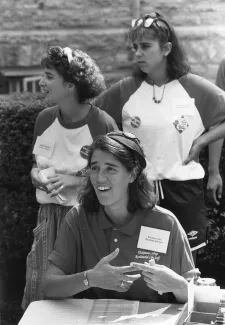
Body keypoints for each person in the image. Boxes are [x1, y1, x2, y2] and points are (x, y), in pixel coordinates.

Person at [92, 12, 225, 259]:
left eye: (145, 46)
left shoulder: (194, 87)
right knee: (146, 264)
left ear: (166, 49)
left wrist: (202, 141)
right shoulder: (126, 89)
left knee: (185, 265)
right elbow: (93, 116)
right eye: (135, 47)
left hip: (184, 191)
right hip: (140, 191)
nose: (138, 53)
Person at [44, 131, 195, 304]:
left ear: (132, 174)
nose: (100, 178)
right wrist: (89, 278)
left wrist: (179, 287)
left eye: (111, 169)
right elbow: (49, 286)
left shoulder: (165, 223)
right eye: (95, 168)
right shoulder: (78, 218)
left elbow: (193, 295)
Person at [22, 46, 118, 310]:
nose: (41, 82)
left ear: (71, 85)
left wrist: (76, 179)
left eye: (48, 76)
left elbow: (116, 173)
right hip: (48, 217)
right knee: (42, 284)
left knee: (84, 291)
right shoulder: (44, 119)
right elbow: (35, 165)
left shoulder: (102, 124)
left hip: (88, 219)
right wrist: (37, 176)